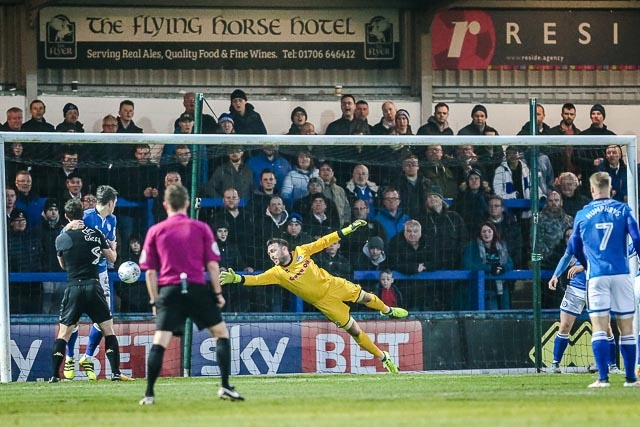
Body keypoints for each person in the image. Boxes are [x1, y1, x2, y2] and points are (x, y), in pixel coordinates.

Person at [219, 219, 408, 373]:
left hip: (333, 285)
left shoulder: (301, 251)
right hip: (324, 303)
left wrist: (348, 229)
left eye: (273, 250)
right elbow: (257, 279)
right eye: (269, 253)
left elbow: (324, 241)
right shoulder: (277, 273)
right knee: (355, 331)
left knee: (366, 298)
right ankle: (384, 357)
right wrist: (236, 278)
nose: (271, 255)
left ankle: (387, 310)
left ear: (284, 249)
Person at [139, 183, 243, 404]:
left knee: (160, 341)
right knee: (221, 334)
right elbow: (213, 266)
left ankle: (149, 394)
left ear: (165, 204)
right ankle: (224, 386)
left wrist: (154, 300)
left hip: (169, 291)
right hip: (196, 288)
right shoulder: (201, 228)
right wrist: (218, 294)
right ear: (187, 203)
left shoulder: (155, 231)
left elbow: (150, 272)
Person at [559, 172, 640, 388]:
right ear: (610, 187)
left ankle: (603, 378)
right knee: (626, 328)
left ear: (592, 189)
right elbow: (637, 237)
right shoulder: (623, 210)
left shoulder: (583, 214)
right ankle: (631, 378)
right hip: (622, 274)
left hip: (597, 276)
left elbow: (573, 246)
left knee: (599, 327)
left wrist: (586, 264)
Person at [49, 199, 125, 383]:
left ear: (66, 216)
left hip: (74, 286)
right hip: (93, 286)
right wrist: (110, 246)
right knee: (108, 330)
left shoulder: (62, 238)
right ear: (83, 214)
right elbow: (112, 258)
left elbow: (63, 265)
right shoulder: (96, 233)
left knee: (63, 334)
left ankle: (54, 375)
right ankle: (115, 372)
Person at [547, 251, 621, 375]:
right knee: (564, 325)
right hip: (576, 288)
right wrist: (555, 275)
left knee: (605, 328)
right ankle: (555, 364)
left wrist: (582, 266)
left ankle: (612, 366)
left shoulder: (600, 234)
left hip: (597, 287)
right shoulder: (576, 237)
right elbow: (566, 257)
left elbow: (606, 258)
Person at [462, 221, 514, 310]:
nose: (487, 234)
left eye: (489, 231)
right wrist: (490, 268)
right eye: (484, 231)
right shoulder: (472, 247)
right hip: (484, 289)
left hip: (502, 288)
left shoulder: (501, 246)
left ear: (494, 232)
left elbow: (510, 263)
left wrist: (503, 268)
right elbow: (468, 264)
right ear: (480, 233)